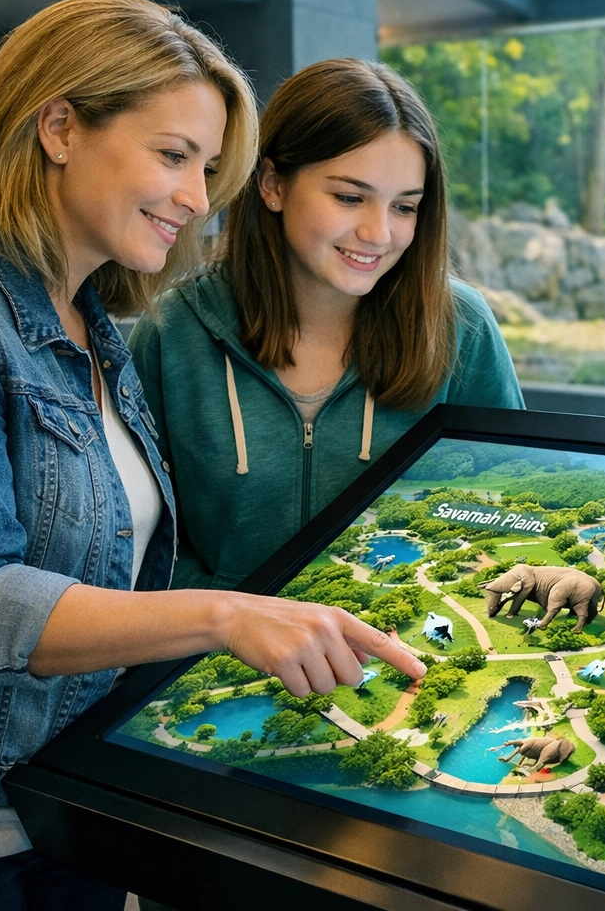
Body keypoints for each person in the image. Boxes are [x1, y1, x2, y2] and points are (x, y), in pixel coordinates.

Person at [0, 0, 424, 911]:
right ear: (60, 127)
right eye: (173, 155)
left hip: (55, 797)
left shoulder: (91, 321)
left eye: (208, 166)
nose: (196, 199)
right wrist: (228, 617)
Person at [129, 58, 523, 592]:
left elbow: (518, 501)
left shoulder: (463, 327)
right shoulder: (173, 331)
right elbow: (141, 544)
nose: (378, 233)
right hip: (218, 664)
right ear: (272, 184)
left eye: (405, 207)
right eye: (349, 197)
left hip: (405, 651)